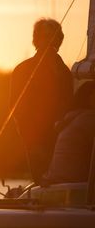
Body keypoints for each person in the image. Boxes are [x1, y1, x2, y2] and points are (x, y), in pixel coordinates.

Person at [10, 18, 74, 184]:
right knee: (43, 184)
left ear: (59, 41)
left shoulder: (65, 72)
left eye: (54, 37)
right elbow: (17, 110)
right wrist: (31, 143)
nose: (50, 41)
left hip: (64, 140)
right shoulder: (23, 70)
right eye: (45, 36)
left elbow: (70, 105)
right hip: (36, 141)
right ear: (36, 40)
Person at [44, 80, 95, 184]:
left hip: (55, 182)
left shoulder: (71, 119)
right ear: (90, 98)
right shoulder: (89, 118)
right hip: (75, 185)